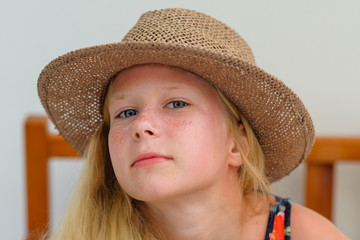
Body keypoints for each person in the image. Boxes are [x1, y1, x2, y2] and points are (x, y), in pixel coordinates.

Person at [38, 8, 349, 240]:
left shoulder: (307, 234)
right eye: (126, 112)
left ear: (237, 145)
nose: (141, 125)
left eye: (176, 104)